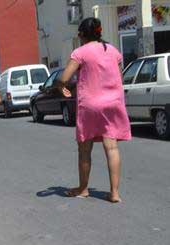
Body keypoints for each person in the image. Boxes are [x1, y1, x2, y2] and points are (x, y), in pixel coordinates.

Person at [57, 18, 131, 203]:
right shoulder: (113, 50)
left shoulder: (80, 52)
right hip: (113, 102)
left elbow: (64, 77)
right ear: (99, 32)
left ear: (82, 34)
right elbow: (119, 77)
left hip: (90, 104)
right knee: (112, 147)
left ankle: (83, 189)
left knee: (84, 149)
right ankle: (114, 193)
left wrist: (60, 86)